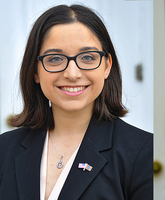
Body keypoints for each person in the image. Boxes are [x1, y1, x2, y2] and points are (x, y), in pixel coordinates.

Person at [0, 4, 153, 200]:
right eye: (55, 58)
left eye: (88, 57)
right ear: (35, 71)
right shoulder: (5, 149)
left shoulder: (143, 152)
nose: (72, 74)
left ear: (107, 66)